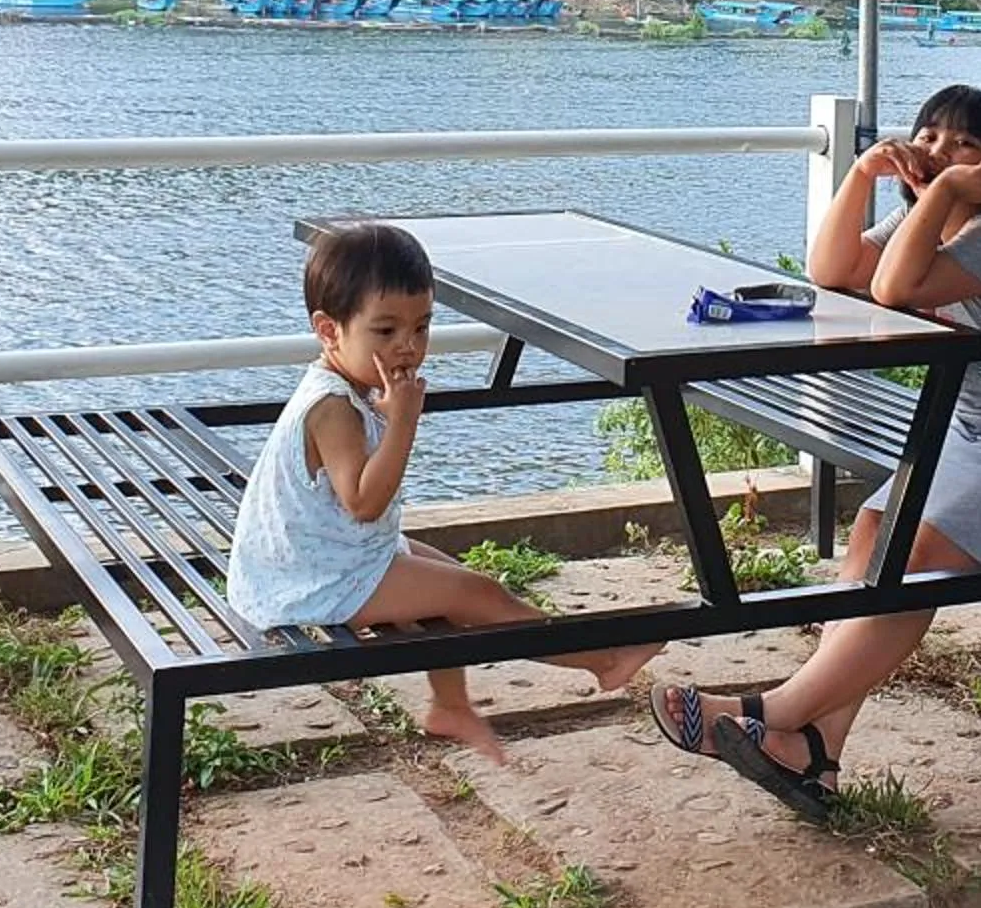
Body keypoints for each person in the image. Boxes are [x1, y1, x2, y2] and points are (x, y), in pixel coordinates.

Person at [644, 83, 981, 817]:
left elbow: (897, 287)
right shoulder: (923, 221)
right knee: (876, 532)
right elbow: (833, 271)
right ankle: (815, 750)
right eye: (929, 136)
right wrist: (861, 174)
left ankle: (769, 712)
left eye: (964, 144)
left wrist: (946, 193)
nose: (938, 152)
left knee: (917, 558)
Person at [225, 220, 660, 758]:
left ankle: (450, 706)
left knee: (462, 586)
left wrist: (395, 417)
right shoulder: (333, 407)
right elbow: (363, 504)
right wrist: (404, 422)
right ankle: (604, 661)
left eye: (422, 327)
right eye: (386, 331)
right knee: (476, 596)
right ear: (329, 330)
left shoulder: (351, 388)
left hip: (330, 558)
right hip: (310, 581)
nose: (407, 347)